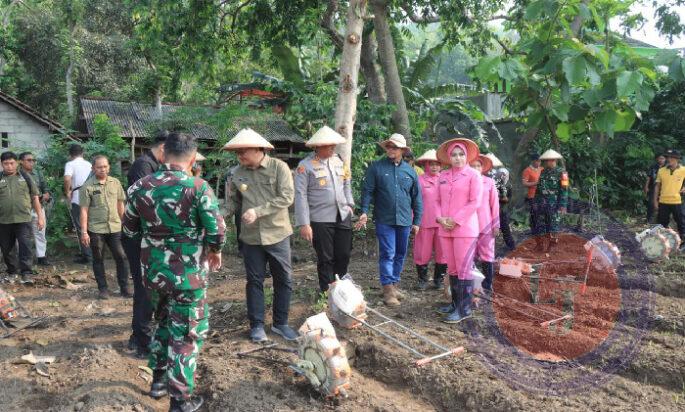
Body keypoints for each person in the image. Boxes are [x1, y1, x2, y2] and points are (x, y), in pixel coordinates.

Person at [123, 132, 225, 412]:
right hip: (188, 278)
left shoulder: (140, 187)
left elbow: (129, 230)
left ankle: (157, 381)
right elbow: (216, 231)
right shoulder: (199, 187)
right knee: (186, 335)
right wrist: (214, 250)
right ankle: (180, 401)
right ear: (192, 158)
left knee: (164, 323)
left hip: (154, 275)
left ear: (163, 153)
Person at [224, 128, 298, 343]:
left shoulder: (279, 168)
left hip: (278, 234)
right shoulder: (237, 173)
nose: (240, 156)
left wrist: (258, 211)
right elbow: (232, 203)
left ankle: (280, 323)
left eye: (243, 151)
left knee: (284, 279)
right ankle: (257, 325)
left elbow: (287, 197)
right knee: (254, 281)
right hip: (251, 238)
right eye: (237, 153)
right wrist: (218, 216)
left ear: (259, 149)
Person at [356, 133, 422, 306]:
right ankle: (387, 290)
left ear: (402, 150)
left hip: (405, 220)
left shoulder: (410, 171)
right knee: (388, 253)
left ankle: (394, 284)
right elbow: (367, 191)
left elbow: (417, 198)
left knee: (400, 253)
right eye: (389, 146)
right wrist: (364, 211)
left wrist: (417, 222)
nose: (391, 149)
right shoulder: (376, 168)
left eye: (395, 147)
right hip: (384, 219)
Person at [294, 126, 354, 293]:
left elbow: (347, 183)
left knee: (344, 254)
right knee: (326, 258)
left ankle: (341, 288)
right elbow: (300, 195)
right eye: (328, 145)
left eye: (333, 145)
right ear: (317, 146)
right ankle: (327, 294)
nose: (332, 148)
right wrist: (304, 223)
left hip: (342, 215)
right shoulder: (305, 166)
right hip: (320, 219)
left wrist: (350, 204)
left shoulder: (340, 161)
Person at [123, 131, 166, 359]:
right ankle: (141, 341)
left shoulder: (152, 165)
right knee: (144, 289)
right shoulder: (143, 166)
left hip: (146, 236)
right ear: (162, 148)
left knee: (147, 289)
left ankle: (137, 336)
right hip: (138, 236)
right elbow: (149, 202)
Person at [433, 138, 482, 324]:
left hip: (465, 229)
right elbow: (437, 201)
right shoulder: (443, 176)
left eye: (461, 154)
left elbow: (474, 202)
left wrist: (456, 219)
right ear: (448, 157)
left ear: (467, 156)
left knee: (463, 269)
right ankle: (455, 304)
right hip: (445, 228)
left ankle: (465, 309)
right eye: (454, 155)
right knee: (452, 268)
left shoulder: (473, 175)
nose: (458, 158)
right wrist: (440, 218)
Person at [79, 155, 130, 299]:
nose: (103, 169)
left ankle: (124, 287)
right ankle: (103, 289)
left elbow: (121, 204)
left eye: (105, 166)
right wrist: (84, 232)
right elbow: (84, 210)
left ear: (109, 167)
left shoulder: (115, 183)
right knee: (98, 258)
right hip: (96, 229)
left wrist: (125, 223)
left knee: (121, 256)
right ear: (93, 168)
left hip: (115, 227)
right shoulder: (87, 186)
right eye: (99, 167)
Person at [0, 151, 45, 283]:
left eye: (11, 163)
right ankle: (12, 272)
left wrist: (40, 217)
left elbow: (35, 197)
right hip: (3, 221)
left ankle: (26, 273)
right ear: (2, 164)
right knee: (7, 249)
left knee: (25, 246)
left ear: (17, 163)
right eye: (6, 164)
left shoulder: (25, 177)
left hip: (24, 219)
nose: (9, 166)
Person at [412, 149, 446, 290]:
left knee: (443, 252)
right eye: (431, 164)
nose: (434, 166)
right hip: (424, 221)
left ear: (441, 165)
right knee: (421, 252)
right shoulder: (419, 180)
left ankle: (439, 280)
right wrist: (414, 221)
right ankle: (422, 280)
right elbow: (413, 201)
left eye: (437, 164)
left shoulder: (445, 180)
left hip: (443, 222)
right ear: (425, 165)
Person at [471, 155, 499, 292]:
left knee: (487, 255)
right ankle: (474, 285)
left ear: (482, 168)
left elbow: (495, 205)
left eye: (478, 166)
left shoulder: (489, 182)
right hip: (468, 226)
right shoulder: (466, 181)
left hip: (486, 224)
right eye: (473, 166)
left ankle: (488, 284)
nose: (476, 168)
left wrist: (496, 225)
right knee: (470, 255)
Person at [532, 149, 569, 252]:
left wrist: (562, 205)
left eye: (550, 160)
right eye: (547, 160)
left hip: (554, 203)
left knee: (553, 224)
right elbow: (539, 188)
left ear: (554, 160)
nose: (548, 162)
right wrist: (535, 201)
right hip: (542, 202)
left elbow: (565, 190)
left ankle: (552, 245)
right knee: (540, 223)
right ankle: (540, 245)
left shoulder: (563, 173)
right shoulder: (543, 172)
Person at [19, 152, 50, 266]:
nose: (32, 162)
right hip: (23, 209)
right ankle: (24, 259)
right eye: (29, 160)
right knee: (22, 235)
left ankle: (41, 257)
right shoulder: (17, 174)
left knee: (40, 233)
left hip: (38, 207)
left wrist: (46, 194)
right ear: (21, 161)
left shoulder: (37, 173)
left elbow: (45, 187)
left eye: (33, 160)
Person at [64, 144, 93, 263]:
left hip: (78, 197)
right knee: (91, 225)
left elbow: (67, 178)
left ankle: (87, 256)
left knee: (81, 226)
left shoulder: (70, 164)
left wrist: (67, 192)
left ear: (70, 155)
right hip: (92, 197)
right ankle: (93, 254)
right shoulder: (89, 164)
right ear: (82, 153)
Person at [653, 149, 685, 245]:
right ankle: (662, 244)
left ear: (677, 159)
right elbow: (657, 186)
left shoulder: (683, 170)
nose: (669, 159)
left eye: (671, 157)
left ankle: (682, 243)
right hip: (663, 201)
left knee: (681, 223)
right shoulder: (661, 170)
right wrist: (655, 201)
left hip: (677, 202)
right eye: (668, 157)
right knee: (662, 224)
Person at [486, 153, 515, 251]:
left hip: (501, 210)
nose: (503, 176)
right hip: (488, 211)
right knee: (487, 232)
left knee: (505, 229)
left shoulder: (507, 185)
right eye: (501, 175)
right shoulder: (488, 180)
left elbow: (507, 199)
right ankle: (488, 251)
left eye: (505, 175)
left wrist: (499, 197)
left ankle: (512, 248)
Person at [522, 153, 543, 235]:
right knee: (534, 212)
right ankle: (534, 231)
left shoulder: (542, 169)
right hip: (532, 195)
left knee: (540, 212)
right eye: (537, 161)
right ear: (533, 161)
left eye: (540, 161)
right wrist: (536, 183)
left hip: (541, 195)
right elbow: (524, 183)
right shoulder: (527, 170)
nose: (539, 163)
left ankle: (538, 229)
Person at [645, 153, 666, 223]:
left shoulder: (667, 168)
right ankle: (649, 220)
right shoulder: (653, 166)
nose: (661, 160)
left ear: (665, 159)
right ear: (657, 159)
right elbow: (649, 177)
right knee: (651, 204)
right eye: (660, 158)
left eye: (662, 158)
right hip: (653, 187)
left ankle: (660, 221)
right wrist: (646, 186)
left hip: (664, 189)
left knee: (662, 205)